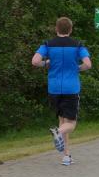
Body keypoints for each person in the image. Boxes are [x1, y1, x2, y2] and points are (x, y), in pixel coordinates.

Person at [31, 17, 92, 165]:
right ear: (70, 30)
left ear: (56, 29)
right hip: (71, 88)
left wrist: (46, 64)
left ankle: (66, 156)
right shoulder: (78, 45)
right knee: (70, 124)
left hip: (54, 88)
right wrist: (77, 68)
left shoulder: (47, 44)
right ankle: (58, 132)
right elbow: (88, 64)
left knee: (62, 121)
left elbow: (35, 61)